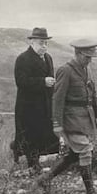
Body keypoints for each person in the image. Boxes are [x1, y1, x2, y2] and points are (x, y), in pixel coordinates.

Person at [35, 39, 97, 194]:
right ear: (78, 54)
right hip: (71, 119)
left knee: (74, 154)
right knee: (85, 150)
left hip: (85, 118)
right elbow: (57, 100)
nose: (90, 60)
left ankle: (45, 179)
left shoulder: (87, 69)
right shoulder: (65, 71)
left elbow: (92, 92)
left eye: (91, 57)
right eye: (87, 57)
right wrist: (57, 124)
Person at [12, 27, 59, 174]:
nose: (44, 46)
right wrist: (42, 82)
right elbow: (21, 81)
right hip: (28, 106)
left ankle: (36, 161)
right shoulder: (23, 59)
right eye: (41, 43)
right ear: (32, 42)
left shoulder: (48, 58)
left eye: (46, 43)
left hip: (44, 104)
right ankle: (32, 164)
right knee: (30, 134)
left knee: (42, 133)